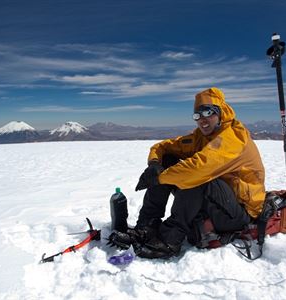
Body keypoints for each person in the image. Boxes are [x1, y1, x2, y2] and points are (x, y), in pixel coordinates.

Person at [109, 87, 266, 259]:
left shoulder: (234, 137)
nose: (202, 120)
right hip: (217, 201)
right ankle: (146, 227)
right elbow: (163, 147)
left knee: (198, 177)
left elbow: (198, 169)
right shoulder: (201, 136)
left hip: (239, 213)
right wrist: (154, 165)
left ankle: (170, 240)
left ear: (220, 112)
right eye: (197, 115)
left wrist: (159, 178)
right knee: (169, 159)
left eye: (208, 112)